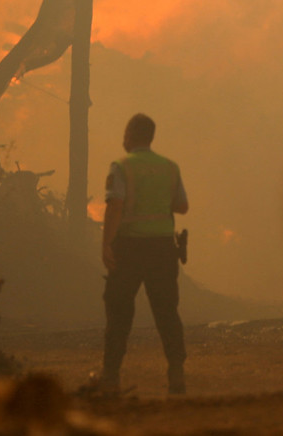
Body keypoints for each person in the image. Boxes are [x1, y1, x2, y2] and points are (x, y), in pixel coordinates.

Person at [97, 113, 189, 395]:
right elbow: (182, 206)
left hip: (129, 249)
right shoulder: (170, 168)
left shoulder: (121, 167)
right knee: (167, 311)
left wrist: (106, 244)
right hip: (163, 249)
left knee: (119, 312)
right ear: (151, 137)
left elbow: (115, 206)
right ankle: (176, 371)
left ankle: (111, 376)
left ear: (128, 135)